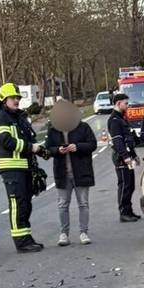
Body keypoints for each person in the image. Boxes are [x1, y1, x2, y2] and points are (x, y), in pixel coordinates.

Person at [0, 82, 48, 253]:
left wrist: (42, 150)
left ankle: (27, 237)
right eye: (13, 98)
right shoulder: (0, 117)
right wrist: (31, 148)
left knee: (26, 204)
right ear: (3, 99)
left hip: (25, 167)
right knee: (18, 203)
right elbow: (6, 141)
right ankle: (21, 242)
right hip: (11, 168)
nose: (16, 100)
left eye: (18, 97)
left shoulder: (20, 118)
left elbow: (30, 141)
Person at [45, 101, 97, 246]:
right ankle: (64, 234)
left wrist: (78, 147)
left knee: (83, 204)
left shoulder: (83, 127)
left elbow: (93, 144)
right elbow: (47, 149)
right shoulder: (53, 130)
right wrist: (57, 150)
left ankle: (84, 232)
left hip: (81, 171)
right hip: (62, 173)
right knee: (63, 204)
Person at [108, 92, 140, 222]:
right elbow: (118, 141)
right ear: (118, 103)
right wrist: (126, 156)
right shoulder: (114, 120)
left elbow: (128, 139)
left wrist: (134, 155)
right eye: (126, 103)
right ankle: (123, 212)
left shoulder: (122, 118)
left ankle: (129, 210)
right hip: (121, 158)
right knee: (124, 185)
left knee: (130, 185)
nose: (128, 106)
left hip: (128, 156)